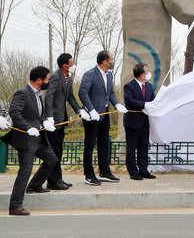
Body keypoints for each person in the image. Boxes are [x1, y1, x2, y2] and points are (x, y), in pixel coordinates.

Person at [6, 66, 58, 216]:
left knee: (51, 159)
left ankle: (34, 185)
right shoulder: (22, 93)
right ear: (39, 80)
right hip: (25, 139)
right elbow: (14, 112)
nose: (48, 82)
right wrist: (28, 127)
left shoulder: (38, 94)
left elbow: (37, 114)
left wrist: (45, 122)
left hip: (38, 138)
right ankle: (15, 206)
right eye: (47, 79)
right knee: (25, 171)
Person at [78, 51, 127, 186]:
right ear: (105, 61)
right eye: (111, 59)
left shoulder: (109, 75)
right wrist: (91, 109)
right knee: (90, 145)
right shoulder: (90, 74)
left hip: (104, 114)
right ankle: (89, 175)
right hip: (92, 116)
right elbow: (82, 92)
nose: (112, 62)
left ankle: (104, 171)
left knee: (104, 143)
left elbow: (110, 93)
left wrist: (117, 104)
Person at [41, 53, 87, 190]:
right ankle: (52, 181)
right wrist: (49, 116)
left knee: (59, 151)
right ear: (65, 65)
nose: (74, 64)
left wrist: (80, 110)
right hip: (52, 121)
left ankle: (58, 179)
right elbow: (48, 96)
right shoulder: (55, 77)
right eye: (72, 62)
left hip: (61, 120)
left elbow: (70, 97)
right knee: (52, 152)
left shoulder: (69, 78)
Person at [123, 63, 156, 180]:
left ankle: (143, 170)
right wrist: (144, 104)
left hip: (144, 122)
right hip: (132, 122)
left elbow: (153, 100)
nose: (148, 74)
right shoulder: (129, 86)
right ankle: (133, 171)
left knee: (143, 147)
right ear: (142, 75)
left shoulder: (149, 86)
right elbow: (128, 101)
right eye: (147, 72)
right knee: (132, 148)